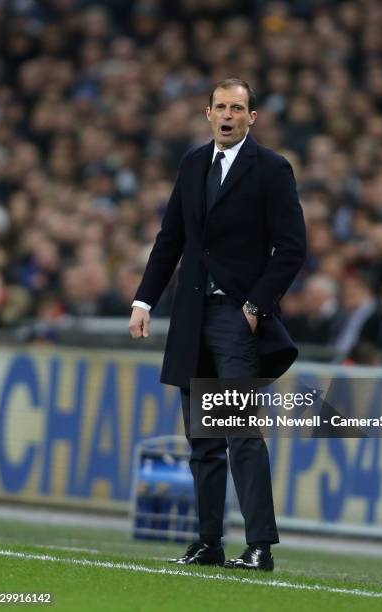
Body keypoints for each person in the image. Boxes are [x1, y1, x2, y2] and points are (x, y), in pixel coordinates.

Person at [129, 78, 306, 571]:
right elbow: (171, 240)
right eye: (221, 107)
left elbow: (292, 247)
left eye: (238, 108)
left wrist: (255, 306)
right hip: (192, 315)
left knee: (241, 432)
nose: (228, 115)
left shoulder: (271, 169)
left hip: (236, 317)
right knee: (202, 440)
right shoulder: (191, 164)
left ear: (253, 117)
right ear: (208, 113)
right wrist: (144, 300)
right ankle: (208, 541)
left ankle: (259, 546)